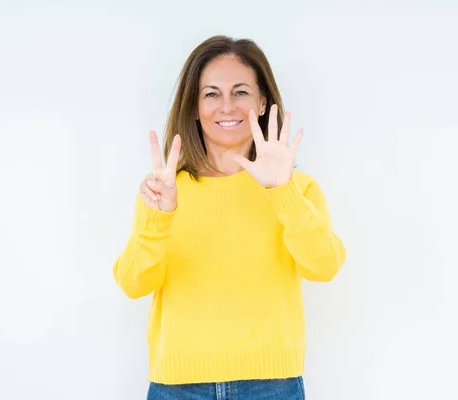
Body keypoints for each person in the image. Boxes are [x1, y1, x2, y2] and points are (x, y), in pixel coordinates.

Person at [112, 35, 346, 400]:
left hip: (272, 386)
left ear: (262, 101)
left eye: (240, 93)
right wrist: (158, 217)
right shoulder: (164, 191)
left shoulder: (297, 188)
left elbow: (325, 266)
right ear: (193, 106)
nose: (226, 106)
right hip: (178, 388)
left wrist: (281, 189)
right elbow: (132, 283)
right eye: (211, 94)